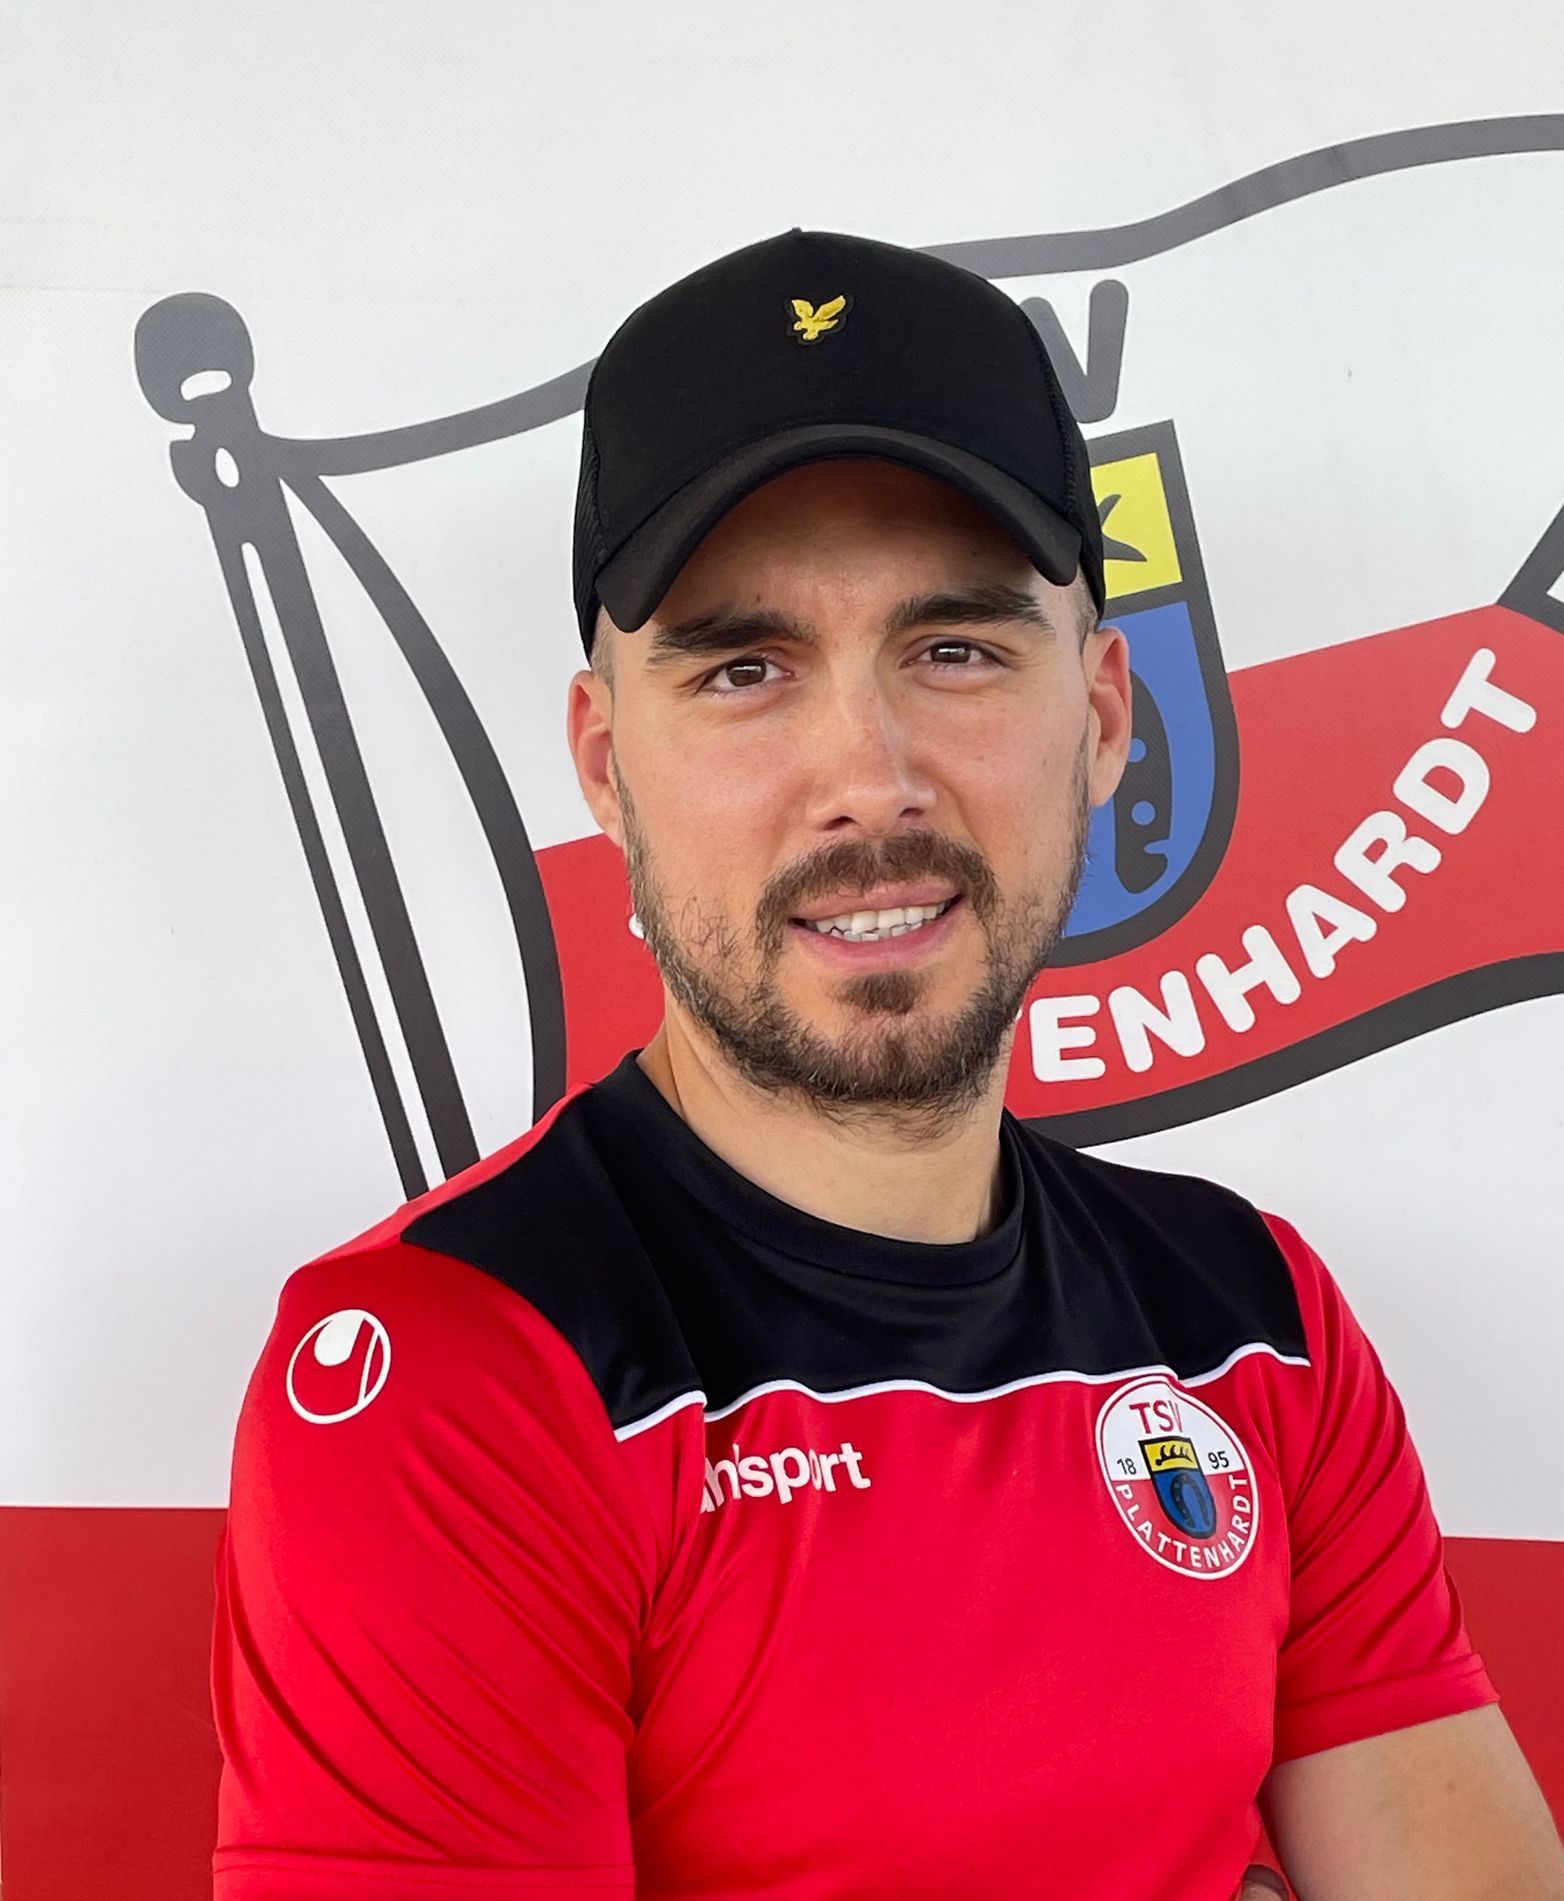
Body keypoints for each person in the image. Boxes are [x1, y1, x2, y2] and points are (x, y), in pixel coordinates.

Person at [211, 230, 1564, 1900]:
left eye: (956, 649)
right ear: (607, 766)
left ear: (1105, 717)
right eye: (745, 669)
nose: (870, 777)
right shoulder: (454, 1372)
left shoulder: (1253, 1316)